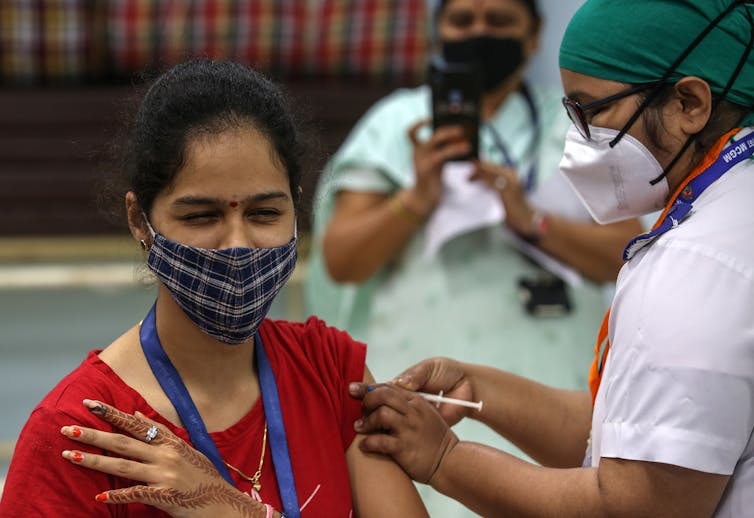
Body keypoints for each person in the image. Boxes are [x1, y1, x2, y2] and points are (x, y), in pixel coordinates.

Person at [349, 0, 754, 516]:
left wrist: (444, 460)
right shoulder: (730, 211)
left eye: (593, 111)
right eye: (571, 112)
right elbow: (624, 434)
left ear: (690, 104)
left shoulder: (696, 265)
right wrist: (480, 389)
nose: (579, 137)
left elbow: (636, 504)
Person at [0, 60, 429, 518]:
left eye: (264, 213)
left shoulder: (328, 373)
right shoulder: (82, 434)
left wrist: (232, 511)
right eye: (201, 217)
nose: (238, 245)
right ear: (138, 221)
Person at [306, 0, 642, 413]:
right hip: (420, 387)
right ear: (437, 33)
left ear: (534, 36)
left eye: (499, 21)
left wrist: (533, 222)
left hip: (553, 389)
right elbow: (342, 261)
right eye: (462, 20)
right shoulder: (395, 123)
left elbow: (628, 255)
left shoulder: (573, 123)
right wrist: (416, 199)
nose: (479, 32)